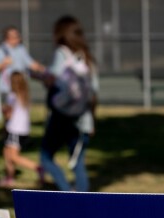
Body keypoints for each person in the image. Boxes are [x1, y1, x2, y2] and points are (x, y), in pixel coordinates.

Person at [39, 15, 99, 192]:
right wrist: (92, 121)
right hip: (83, 119)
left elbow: (52, 79)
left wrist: (42, 77)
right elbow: (93, 94)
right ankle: (81, 200)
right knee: (77, 162)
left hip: (61, 118)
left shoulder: (61, 54)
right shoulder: (88, 59)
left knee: (46, 156)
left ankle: (67, 193)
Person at [0, 72, 44, 188]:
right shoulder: (24, 95)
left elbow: (9, 114)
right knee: (6, 152)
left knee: (13, 156)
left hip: (15, 130)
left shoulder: (12, 96)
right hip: (22, 130)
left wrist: (2, 110)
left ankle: (38, 168)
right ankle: (9, 177)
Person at [0, 26, 46, 104]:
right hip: (6, 89)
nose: (18, 38)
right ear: (7, 38)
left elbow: (32, 64)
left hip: (20, 88)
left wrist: (45, 70)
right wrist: (3, 63)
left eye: (18, 36)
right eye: (15, 36)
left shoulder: (21, 49)